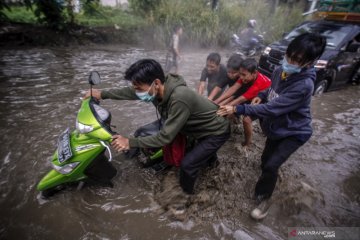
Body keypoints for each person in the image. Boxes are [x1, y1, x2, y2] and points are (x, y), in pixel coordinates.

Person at [217, 33, 326, 220]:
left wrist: (237, 108)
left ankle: (263, 199)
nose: (289, 61)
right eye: (289, 55)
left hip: (294, 132)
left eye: (296, 60)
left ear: (309, 63)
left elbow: (272, 109)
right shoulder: (279, 71)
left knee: (271, 165)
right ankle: (271, 175)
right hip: (276, 128)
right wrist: (263, 94)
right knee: (265, 159)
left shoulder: (304, 85)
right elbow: (271, 91)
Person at [85, 59, 230, 195]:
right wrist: (102, 94)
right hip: (196, 127)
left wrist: (130, 142)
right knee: (204, 156)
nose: (137, 92)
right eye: (135, 87)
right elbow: (130, 92)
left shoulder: (179, 98)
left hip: (216, 131)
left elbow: (165, 137)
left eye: (139, 88)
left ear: (156, 83)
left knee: (187, 166)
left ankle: (188, 196)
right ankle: (212, 166)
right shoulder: (158, 89)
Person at [214, 58, 271, 147]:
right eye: (240, 74)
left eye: (244, 75)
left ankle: (247, 144)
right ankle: (235, 124)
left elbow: (240, 100)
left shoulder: (258, 83)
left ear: (254, 73)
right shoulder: (245, 75)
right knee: (231, 110)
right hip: (254, 96)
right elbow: (233, 89)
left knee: (246, 120)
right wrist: (216, 102)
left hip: (266, 99)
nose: (241, 77)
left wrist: (220, 109)